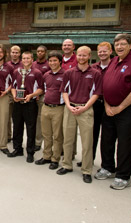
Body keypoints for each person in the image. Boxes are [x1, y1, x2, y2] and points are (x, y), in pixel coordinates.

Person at [95, 34, 131, 190]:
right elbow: (105, 87)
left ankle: (122, 176)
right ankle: (107, 168)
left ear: (130, 45)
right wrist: (107, 106)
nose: (119, 47)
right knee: (107, 139)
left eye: (123, 44)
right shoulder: (113, 61)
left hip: (127, 109)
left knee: (125, 143)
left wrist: (119, 108)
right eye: (117, 44)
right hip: (109, 108)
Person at [57, 46, 102, 183]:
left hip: (86, 110)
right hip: (70, 108)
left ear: (89, 56)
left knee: (87, 141)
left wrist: (85, 107)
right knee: (68, 139)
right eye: (79, 55)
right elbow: (64, 91)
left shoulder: (95, 74)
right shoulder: (69, 72)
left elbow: (96, 94)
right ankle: (67, 165)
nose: (81, 58)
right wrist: (69, 105)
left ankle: (86, 170)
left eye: (84, 55)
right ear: (76, 56)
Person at [8, 51, 44, 163]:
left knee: (31, 128)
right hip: (18, 103)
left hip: (30, 104)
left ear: (32, 59)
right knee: (17, 127)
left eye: (28, 58)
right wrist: (14, 96)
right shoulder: (16, 72)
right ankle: (17, 149)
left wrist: (31, 95)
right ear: (21, 59)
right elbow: (13, 86)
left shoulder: (37, 72)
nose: (26, 60)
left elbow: (41, 89)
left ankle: (30, 152)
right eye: (24, 58)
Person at [35, 51, 64, 170]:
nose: (52, 63)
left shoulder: (66, 74)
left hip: (58, 108)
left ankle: (55, 159)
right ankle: (46, 156)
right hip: (45, 107)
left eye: (55, 61)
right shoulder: (46, 75)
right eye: (50, 61)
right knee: (46, 134)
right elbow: (43, 89)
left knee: (57, 135)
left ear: (60, 62)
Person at [91, 42, 112, 161]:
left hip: (109, 104)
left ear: (110, 51)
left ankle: (106, 164)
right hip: (95, 103)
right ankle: (89, 159)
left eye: (105, 51)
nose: (102, 53)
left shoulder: (115, 66)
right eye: (100, 51)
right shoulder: (93, 67)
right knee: (92, 133)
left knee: (107, 136)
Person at [32, 45, 51, 151]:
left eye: (42, 51)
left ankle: (38, 142)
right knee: (32, 119)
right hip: (31, 95)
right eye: (38, 51)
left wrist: (40, 93)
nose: (40, 53)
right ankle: (31, 139)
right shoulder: (33, 64)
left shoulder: (48, 65)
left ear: (45, 52)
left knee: (40, 119)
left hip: (42, 95)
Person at [7, 45, 23, 143]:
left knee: (17, 117)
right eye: (13, 52)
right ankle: (8, 136)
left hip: (20, 94)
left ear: (19, 54)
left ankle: (16, 136)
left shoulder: (23, 65)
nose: (15, 54)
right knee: (7, 116)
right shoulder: (6, 65)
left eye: (17, 52)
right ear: (10, 53)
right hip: (8, 93)